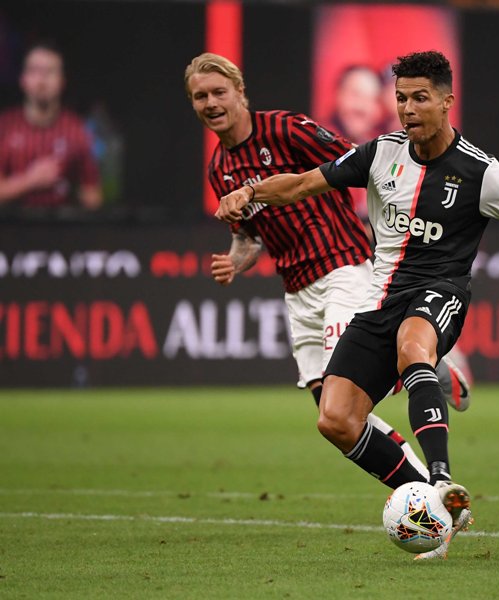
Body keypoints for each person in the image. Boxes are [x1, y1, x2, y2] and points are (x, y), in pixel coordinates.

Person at [215, 50, 499, 559]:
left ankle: (440, 482)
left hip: (441, 292)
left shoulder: (483, 173)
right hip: (381, 297)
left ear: (447, 102)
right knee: (334, 418)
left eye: (420, 98)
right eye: (401, 98)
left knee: (413, 344)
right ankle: (439, 509)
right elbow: (305, 183)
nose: (409, 108)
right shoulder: (380, 154)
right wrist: (250, 191)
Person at [184, 52, 472, 483]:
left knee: (353, 385)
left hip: (343, 266)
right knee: (332, 416)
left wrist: (395, 216)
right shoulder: (218, 170)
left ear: (240, 93)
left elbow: (355, 162)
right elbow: (250, 236)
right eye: (199, 96)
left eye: (218, 92)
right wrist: (236, 260)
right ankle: (425, 490)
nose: (210, 103)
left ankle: (430, 456)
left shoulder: (284, 128)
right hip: (297, 289)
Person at [0, 41, 102, 210]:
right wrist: (30, 180)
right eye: (35, 71)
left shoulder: (77, 130)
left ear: (62, 81)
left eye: (50, 72)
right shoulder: (5, 127)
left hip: (61, 230)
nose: (42, 80)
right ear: (23, 79)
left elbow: (93, 196)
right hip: (10, 229)